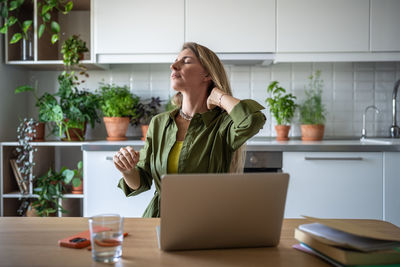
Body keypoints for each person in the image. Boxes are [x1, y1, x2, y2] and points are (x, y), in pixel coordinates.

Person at [113, 42, 266, 218]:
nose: (173, 66)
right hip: (159, 220)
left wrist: (219, 96)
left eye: (186, 61)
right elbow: (141, 182)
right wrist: (127, 170)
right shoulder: (159, 123)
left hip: (206, 223)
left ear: (207, 74)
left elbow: (253, 120)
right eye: (175, 61)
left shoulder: (222, 124)